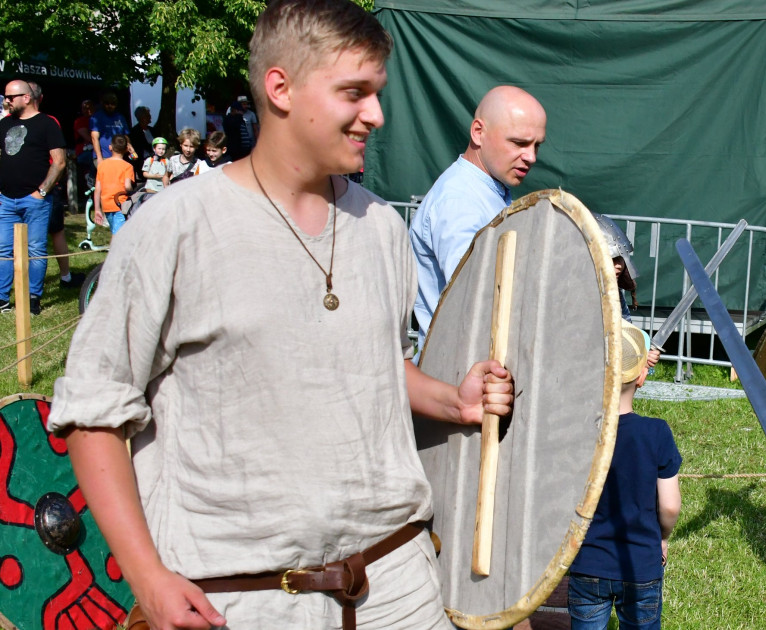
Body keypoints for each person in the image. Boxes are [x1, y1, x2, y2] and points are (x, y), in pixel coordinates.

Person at [48, 1, 514, 628]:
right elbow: (93, 413)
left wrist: (450, 400)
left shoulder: (381, 227)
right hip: (240, 600)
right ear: (281, 88)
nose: (375, 115)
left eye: (376, 93)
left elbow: (370, 367)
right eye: (355, 93)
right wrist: (148, 579)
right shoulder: (175, 226)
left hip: (399, 586)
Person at [409, 85, 547, 353]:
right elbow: (480, 300)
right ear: (478, 133)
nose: (530, 156)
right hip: (461, 377)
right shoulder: (460, 202)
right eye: (519, 143)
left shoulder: (486, 191)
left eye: (536, 145)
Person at [568, 321, 681, 630]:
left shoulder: (578, 433)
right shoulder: (656, 433)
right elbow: (670, 506)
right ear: (642, 376)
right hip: (641, 566)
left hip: (586, 562)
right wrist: (663, 538)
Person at [0, 79, 67, 315]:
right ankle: (2, 300)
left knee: (36, 250)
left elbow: (59, 162)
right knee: (3, 249)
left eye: (10, 97)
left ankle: (33, 298)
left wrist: (41, 192)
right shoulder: (4, 124)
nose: (6, 101)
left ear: (26, 98)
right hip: (5, 199)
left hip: (35, 200)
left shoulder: (47, 124)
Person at [26, 82, 85, 289]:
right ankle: (64, 277)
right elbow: (58, 160)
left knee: (49, 233)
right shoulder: (49, 122)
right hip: (44, 188)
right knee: (50, 234)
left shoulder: (11, 122)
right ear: (39, 99)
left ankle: (61, 278)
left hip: (42, 188)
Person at [93, 135, 135, 234]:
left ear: (110, 147)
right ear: (126, 149)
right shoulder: (127, 166)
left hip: (106, 205)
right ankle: (116, 249)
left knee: (115, 231)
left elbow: (97, 189)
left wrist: (97, 209)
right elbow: (127, 186)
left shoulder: (102, 165)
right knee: (119, 234)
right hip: (121, 204)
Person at [90, 91, 132, 166]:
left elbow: (125, 135)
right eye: (107, 103)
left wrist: (130, 147)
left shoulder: (120, 117)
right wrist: (99, 157)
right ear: (102, 103)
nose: (110, 106)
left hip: (119, 156)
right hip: (104, 156)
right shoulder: (96, 117)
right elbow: (94, 137)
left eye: (113, 103)